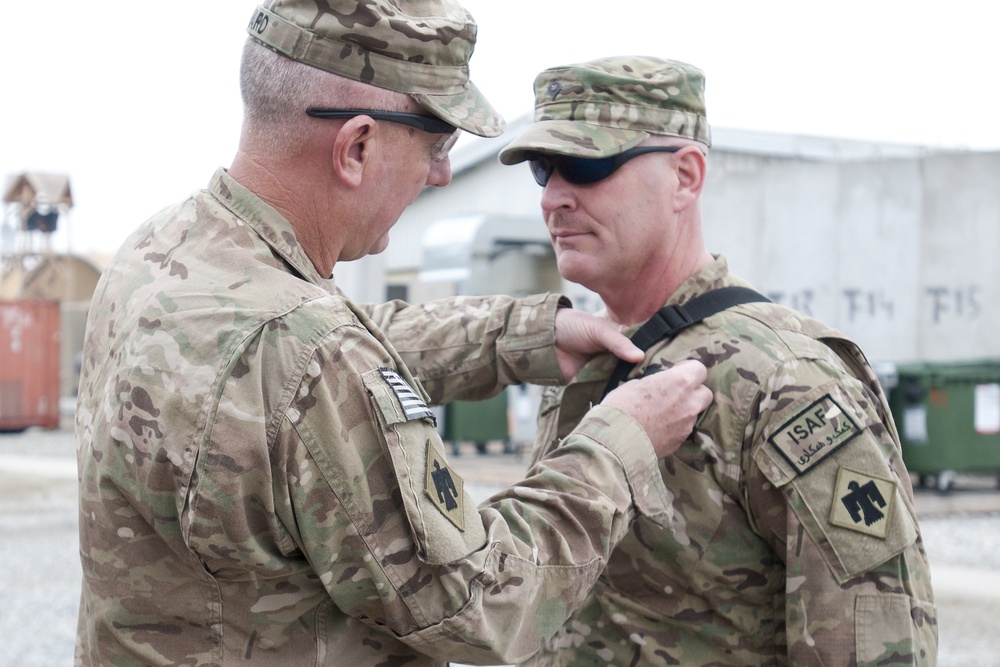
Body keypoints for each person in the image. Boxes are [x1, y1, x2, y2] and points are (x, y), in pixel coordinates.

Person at [73, 4, 714, 666]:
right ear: (356, 147)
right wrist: (620, 442)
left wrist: (523, 334)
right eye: (436, 147)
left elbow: (320, 347)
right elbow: (482, 605)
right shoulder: (307, 349)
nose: (440, 175)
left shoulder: (161, 252)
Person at [498, 56, 937, 666]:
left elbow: (874, 645)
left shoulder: (786, 380)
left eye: (585, 166)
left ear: (685, 176)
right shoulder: (583, 362)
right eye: (543, 170)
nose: (554, 198)